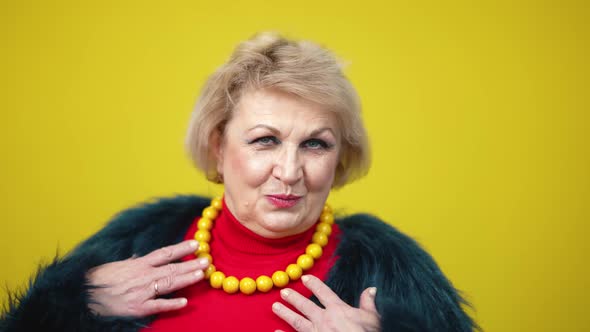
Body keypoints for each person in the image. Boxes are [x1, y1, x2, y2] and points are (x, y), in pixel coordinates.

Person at [0, 32, 477, 332]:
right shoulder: (133, 244)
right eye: (265, 140)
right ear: (217, 149)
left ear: (340, 159)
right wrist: (67, 307)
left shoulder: (393, 270)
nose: (290, 172)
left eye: (316, 144)